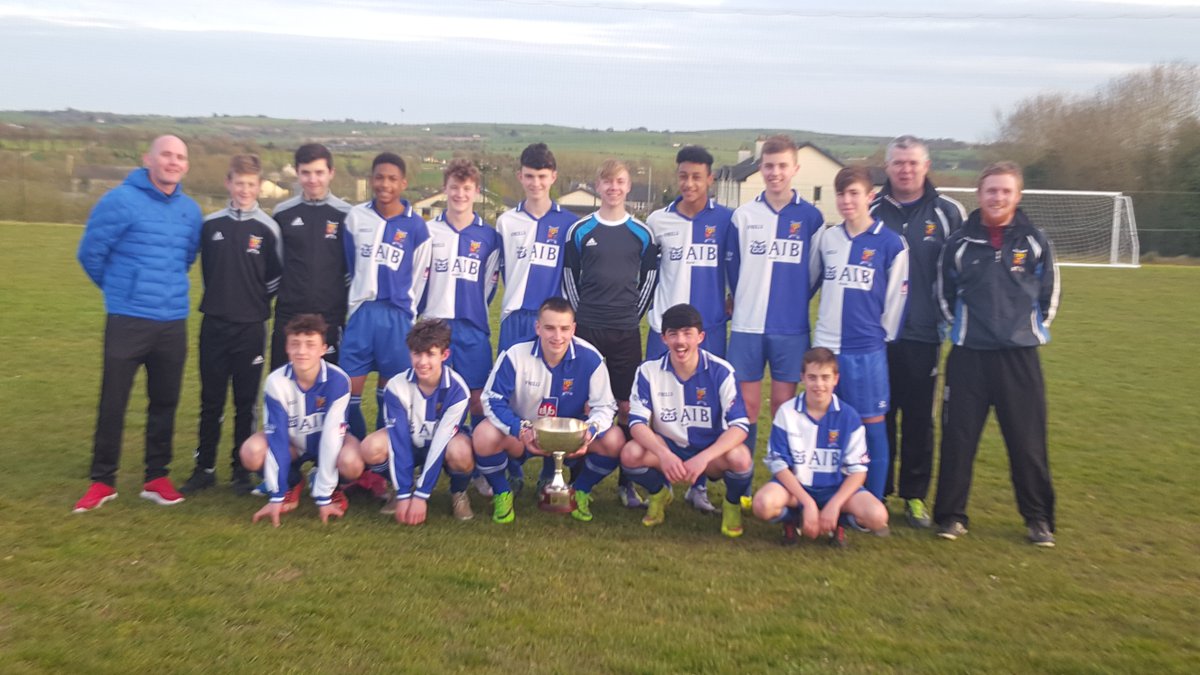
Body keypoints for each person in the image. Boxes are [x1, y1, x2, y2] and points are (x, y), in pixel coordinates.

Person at [933, 161, 1060, 547]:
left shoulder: (1034, 240)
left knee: (1027, 442)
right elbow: (944, 296)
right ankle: (951, 517)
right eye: (991, 190)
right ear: (980, 194)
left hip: (1019, 359)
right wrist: (965, 330)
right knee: (958, 439)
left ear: (1017, 195)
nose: (998, 197)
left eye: (1005, 191)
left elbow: (1049, 296)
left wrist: (1025, 331)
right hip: (969, 355)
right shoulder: (958, 243)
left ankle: (1038, 519)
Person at [73, 135, 203, 513]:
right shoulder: (119, 200)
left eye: (180, 157)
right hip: (128, 318)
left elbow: (186, 257)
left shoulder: (191, 211)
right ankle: (102, 480)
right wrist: (122, 292)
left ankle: (156, 477)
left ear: (186, 165)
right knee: (113, 401)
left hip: (171, 321)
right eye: (166, 155)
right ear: (148, 159)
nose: (173, 162)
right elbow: (90, 254)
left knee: (164, 402)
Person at [869, 135, 965, 528]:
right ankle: (877, 490)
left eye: (913, 163)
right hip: (876, 335)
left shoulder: (948, 212)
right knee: (878, 416)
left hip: (924, 333)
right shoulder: (871, 209)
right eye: (898, 163)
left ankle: (913, 497)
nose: (905, 170)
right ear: (888, 167)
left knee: (919, 419)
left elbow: (962, 269)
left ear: (926, 166)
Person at [727, 135, 824, 505]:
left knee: (783, 409)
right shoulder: (744, 216)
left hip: (790, 329)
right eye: (769, 165)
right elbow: (733, 270)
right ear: (760, 168)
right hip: (748, 327)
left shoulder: (811, 218)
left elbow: (815, 273)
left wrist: (790, 302)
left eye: (783, 166)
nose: (775, 173)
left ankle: (782, 486)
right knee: (747, 408)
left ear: (795, 169)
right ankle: (745, 485)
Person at [562, 158, 660, 509]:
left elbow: (649, 281)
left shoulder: (643, 233)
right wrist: (582, 316)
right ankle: (572, 480)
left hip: (625, 331)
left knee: (626, 406)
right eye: (607, 182)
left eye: (619, 182)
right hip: (587, 328)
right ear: (598, 186)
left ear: (628, 185)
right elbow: (570, 279)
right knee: (580, 403)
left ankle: (626, 483)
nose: (613, 188)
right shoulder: (580, 230)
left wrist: (629, 316)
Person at [182, 154, 282, 496]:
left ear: (259, 187)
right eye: (239, 183)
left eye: (251, 184)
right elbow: (209, 271)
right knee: (211, 400)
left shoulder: (268, 229)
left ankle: (241, 469)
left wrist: (249, 302)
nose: (244, 190)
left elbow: (273, 278)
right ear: (228, 183)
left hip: (251, 327)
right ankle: (204, 467)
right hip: (214, 325)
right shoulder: (210, 225)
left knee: (245, 403)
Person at [473, 298, 624, 523]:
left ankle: (579, 490)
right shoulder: (515, 354)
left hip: (569, 439)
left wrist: (590, 432)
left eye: (564, 328)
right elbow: (492, 399)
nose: (557, 336)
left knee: (615, 440)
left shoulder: (590, 358)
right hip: (525, 434)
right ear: (538, 328)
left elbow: (605, 406)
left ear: (573, 328)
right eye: (550, 328)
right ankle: (502, 492)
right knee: (483, 435)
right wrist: (520, 429)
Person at [645, 145, 735, 514]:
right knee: (653, 406)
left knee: (704, 410)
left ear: (710, 179)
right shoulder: (657, 221)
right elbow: (646, 276)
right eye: (683, 175)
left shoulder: (728, 221)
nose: (689, 183)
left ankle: (697, 485)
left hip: (708, 330)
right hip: (661, 331)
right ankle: (655, 482)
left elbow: (738, 271)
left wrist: (729, 305)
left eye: (697, 176)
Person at [809, 166, 909, 501]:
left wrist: (879, 338)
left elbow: (896, 300)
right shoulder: (827, 238)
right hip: (826, 349)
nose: (846, 200)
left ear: (870, 197)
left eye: (854, 193)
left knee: (871, 425)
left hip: (866, 351)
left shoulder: (891, 243)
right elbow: (810, 283)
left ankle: (872, 501)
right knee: (826, 423)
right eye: (841, 193)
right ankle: (827, 494)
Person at [620, 304, 753, 538]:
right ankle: (659, 493)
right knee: (630, 453)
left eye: (687, 333)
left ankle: (731, 506)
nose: (680, 341)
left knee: (740, 458)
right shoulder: (648, 371)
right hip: (670, 448)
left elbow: (740, 426)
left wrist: (704, 458)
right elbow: (637, 423)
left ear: (700, 336)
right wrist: (663, 454)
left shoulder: (721, 371)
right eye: (673, 334)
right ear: (663, 338)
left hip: (709, 453)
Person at [494, 143, 578, 490]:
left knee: (552, 390)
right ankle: (512, 463)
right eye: (529, 176)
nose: (536, 183)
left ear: (553, 177)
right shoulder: (506, 221)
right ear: (520, 176)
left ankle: (549, 467)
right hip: (515, 316)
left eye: (542, 176)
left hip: (550, 322)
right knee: (513, 391)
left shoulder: (569, 223)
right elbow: (498, 270)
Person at [752, 348, 889, 546]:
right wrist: (807, 502)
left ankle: (837, 523)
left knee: (877, 517)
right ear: (802, 378)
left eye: (825, 377)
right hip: (796, 489)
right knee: (763, 505)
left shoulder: (849, 416)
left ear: (836, 379)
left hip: (835, 489)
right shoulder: (787, 412)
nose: (819, 384)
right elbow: (778, 464)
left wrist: (835, 504)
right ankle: (793, 519)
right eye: (812, 377)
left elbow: (858, 471)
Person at [340, 152, 431, 444]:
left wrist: (407, 312)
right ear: (371, 179)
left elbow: (419, 277)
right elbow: (351, 265)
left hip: (397, 317)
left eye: (392, 178)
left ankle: (381, 467)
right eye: (379, 177)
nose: (385, 184)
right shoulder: (356, 218)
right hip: (362, 313)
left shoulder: (416, 227)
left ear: (403, 183)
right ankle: (355, 460)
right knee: (346, 394)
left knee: (390, 396)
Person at [240, 314, 361, 527]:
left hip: (330, 440)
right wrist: (276, 495)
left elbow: (333, 437)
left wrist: (323, 496)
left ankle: (332, 489)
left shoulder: (338, 380)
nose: (302, 351)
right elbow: (277, 437)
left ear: (323, 349)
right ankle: (292, 483)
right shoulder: (276, 382)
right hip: (293, 443)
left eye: (310, 345)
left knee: (352, 463)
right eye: (295, 344)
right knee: (251, 452)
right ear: (286, 347)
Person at [359, 319, 475, 525]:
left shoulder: (458, 391)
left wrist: (422, 497)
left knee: (462, 452)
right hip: (411, 444)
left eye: (430, 354)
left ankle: (458, 492)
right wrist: (405, 494)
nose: (422, 362)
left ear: (444, 355)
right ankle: (401, 487)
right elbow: (399, 441)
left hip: (442, 445)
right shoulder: (396, 386)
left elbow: (441, 442)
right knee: (370, 447)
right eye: (417, 353)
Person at [419, 159, 501, 424]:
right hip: (434, 323)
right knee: (435, 393)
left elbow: (489, 283)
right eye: (454, 187)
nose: (460, 194)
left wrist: (473, 307)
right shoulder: (428, 231)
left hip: (472, 325)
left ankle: (478, 457)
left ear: (476, 191)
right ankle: (434, 452)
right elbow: (419, 278)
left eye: (466, 188)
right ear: (445, 188)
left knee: (477, 397)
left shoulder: (489, 236)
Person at [270, 143, 352, 371]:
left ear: (331, 173)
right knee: (283, 381)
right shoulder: (282, 213)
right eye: (306, 172)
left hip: (330, 316)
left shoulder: (347, 214)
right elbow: (275, 265)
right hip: (289, 314)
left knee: (329, 384)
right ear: (297, 173)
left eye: (319, 172)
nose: (312, 179)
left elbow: (350, 268)